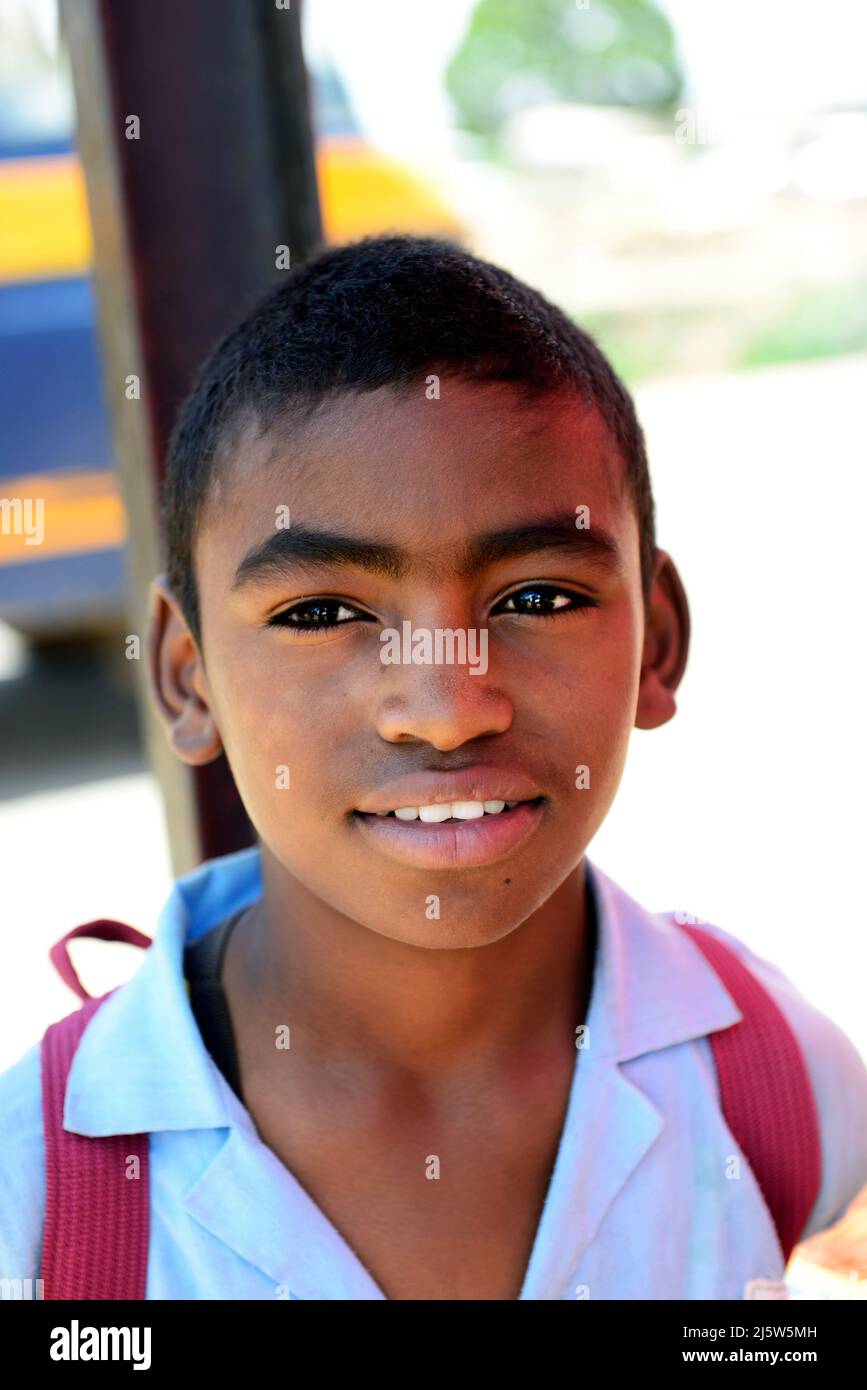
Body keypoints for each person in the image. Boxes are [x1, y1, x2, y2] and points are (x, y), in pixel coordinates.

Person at [2, 234, 866, 1300]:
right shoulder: (42, 1206)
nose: (449, 709)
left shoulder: (778, 1085)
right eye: (323, 612)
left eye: (538, 597)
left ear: (657, 641)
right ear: (188, 680)